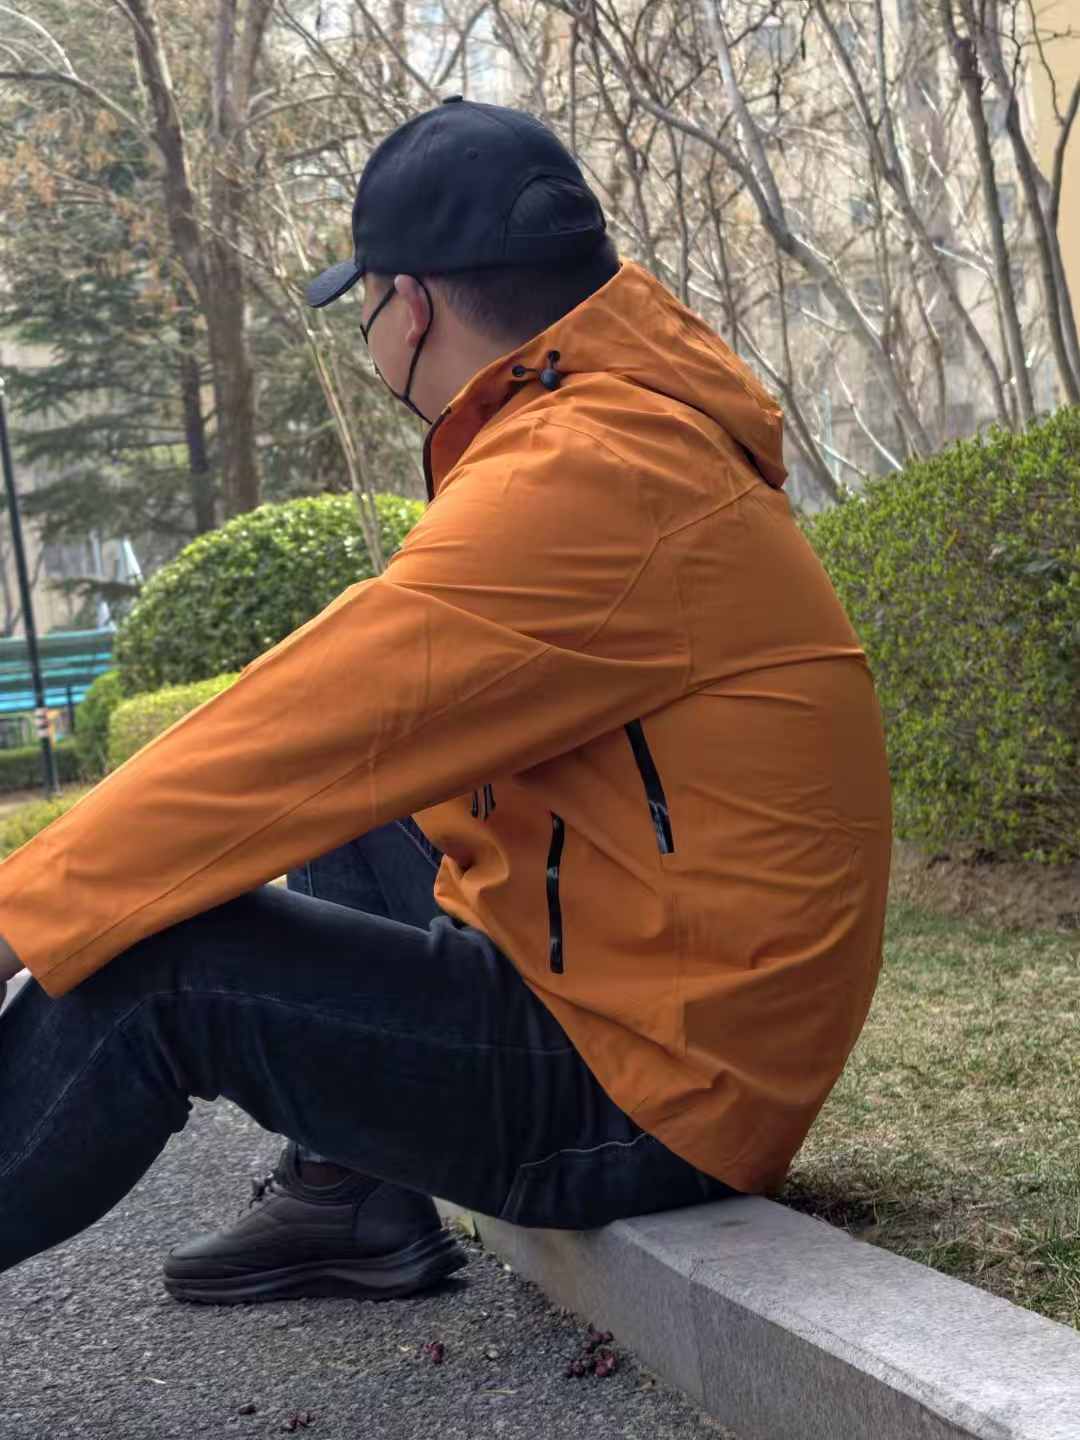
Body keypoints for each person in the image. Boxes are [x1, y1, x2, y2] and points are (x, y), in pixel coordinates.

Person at [0, 98, 892, 1307]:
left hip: (651, 1093)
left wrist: (18, 915)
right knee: (352, 795)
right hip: (650, 1002)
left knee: (164, 973)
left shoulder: (588, 474)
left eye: (363, 308)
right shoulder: (621, 433)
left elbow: (293, 731)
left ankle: (347, 1185)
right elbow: (339, 730)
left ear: (408, 308)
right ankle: (353, 1196)